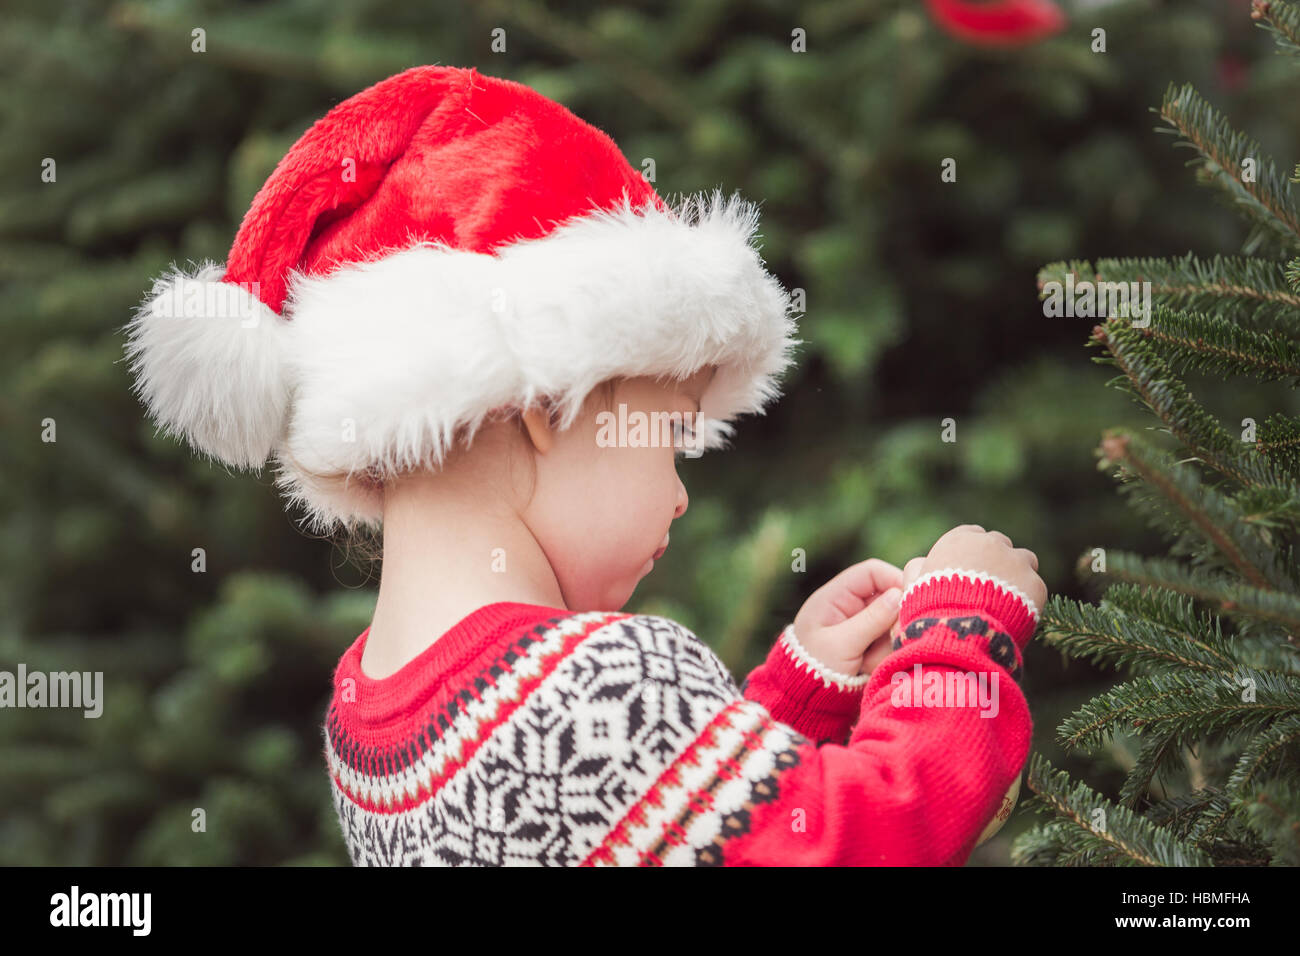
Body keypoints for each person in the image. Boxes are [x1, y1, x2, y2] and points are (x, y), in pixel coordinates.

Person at [123, 64, 1047, 866]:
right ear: (545, 404)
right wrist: (963, 637)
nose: (683, 497)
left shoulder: (367, 709)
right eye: (673, 438)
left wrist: (799, 691)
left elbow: (652, 835)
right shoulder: (601, 681)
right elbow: (859, 842)